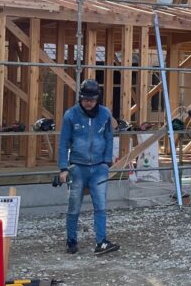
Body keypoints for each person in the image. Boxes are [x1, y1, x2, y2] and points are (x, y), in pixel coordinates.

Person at [58, 79, 119, 256]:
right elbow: (63, 143)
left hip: (99, 168)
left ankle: (101, 242)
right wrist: (63, 167)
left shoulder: (105, 114)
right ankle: (71, 240)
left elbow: (109, 138)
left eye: (92, 100)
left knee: (100, 206)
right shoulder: (71, 115)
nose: (88, 103)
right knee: (74, 206)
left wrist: (106, 162)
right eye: (85, 99)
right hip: (77, 167)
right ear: (81, 98)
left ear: (97, 98)